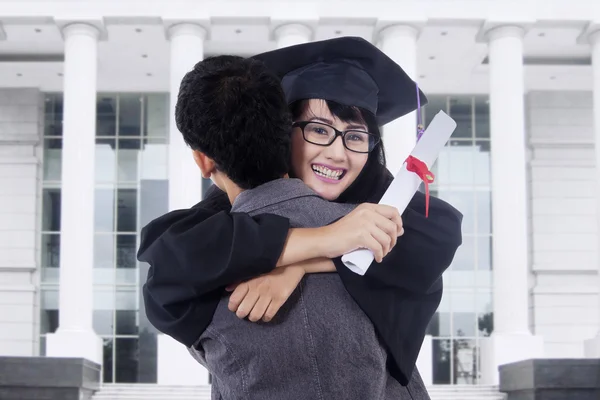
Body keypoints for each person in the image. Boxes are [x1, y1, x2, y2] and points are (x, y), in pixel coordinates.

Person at [138, 37, 462, 399]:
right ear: (282, 130)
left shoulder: (379, 193)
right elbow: (172, 253)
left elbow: (436, 235)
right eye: (319, 130)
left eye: (356, 136)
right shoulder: (238, 200)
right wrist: (324, 239)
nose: (337, 153)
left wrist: (301, 265)